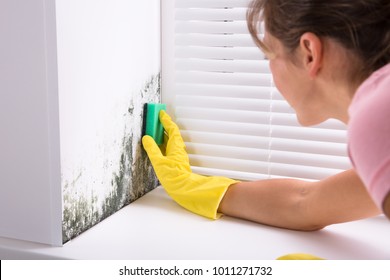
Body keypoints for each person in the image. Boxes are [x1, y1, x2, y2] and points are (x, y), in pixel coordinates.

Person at [142, 0, 390, 233]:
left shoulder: (376, 117)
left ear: (309, 53)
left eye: (269, 55)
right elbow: (304, 203)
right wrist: (191, 185)